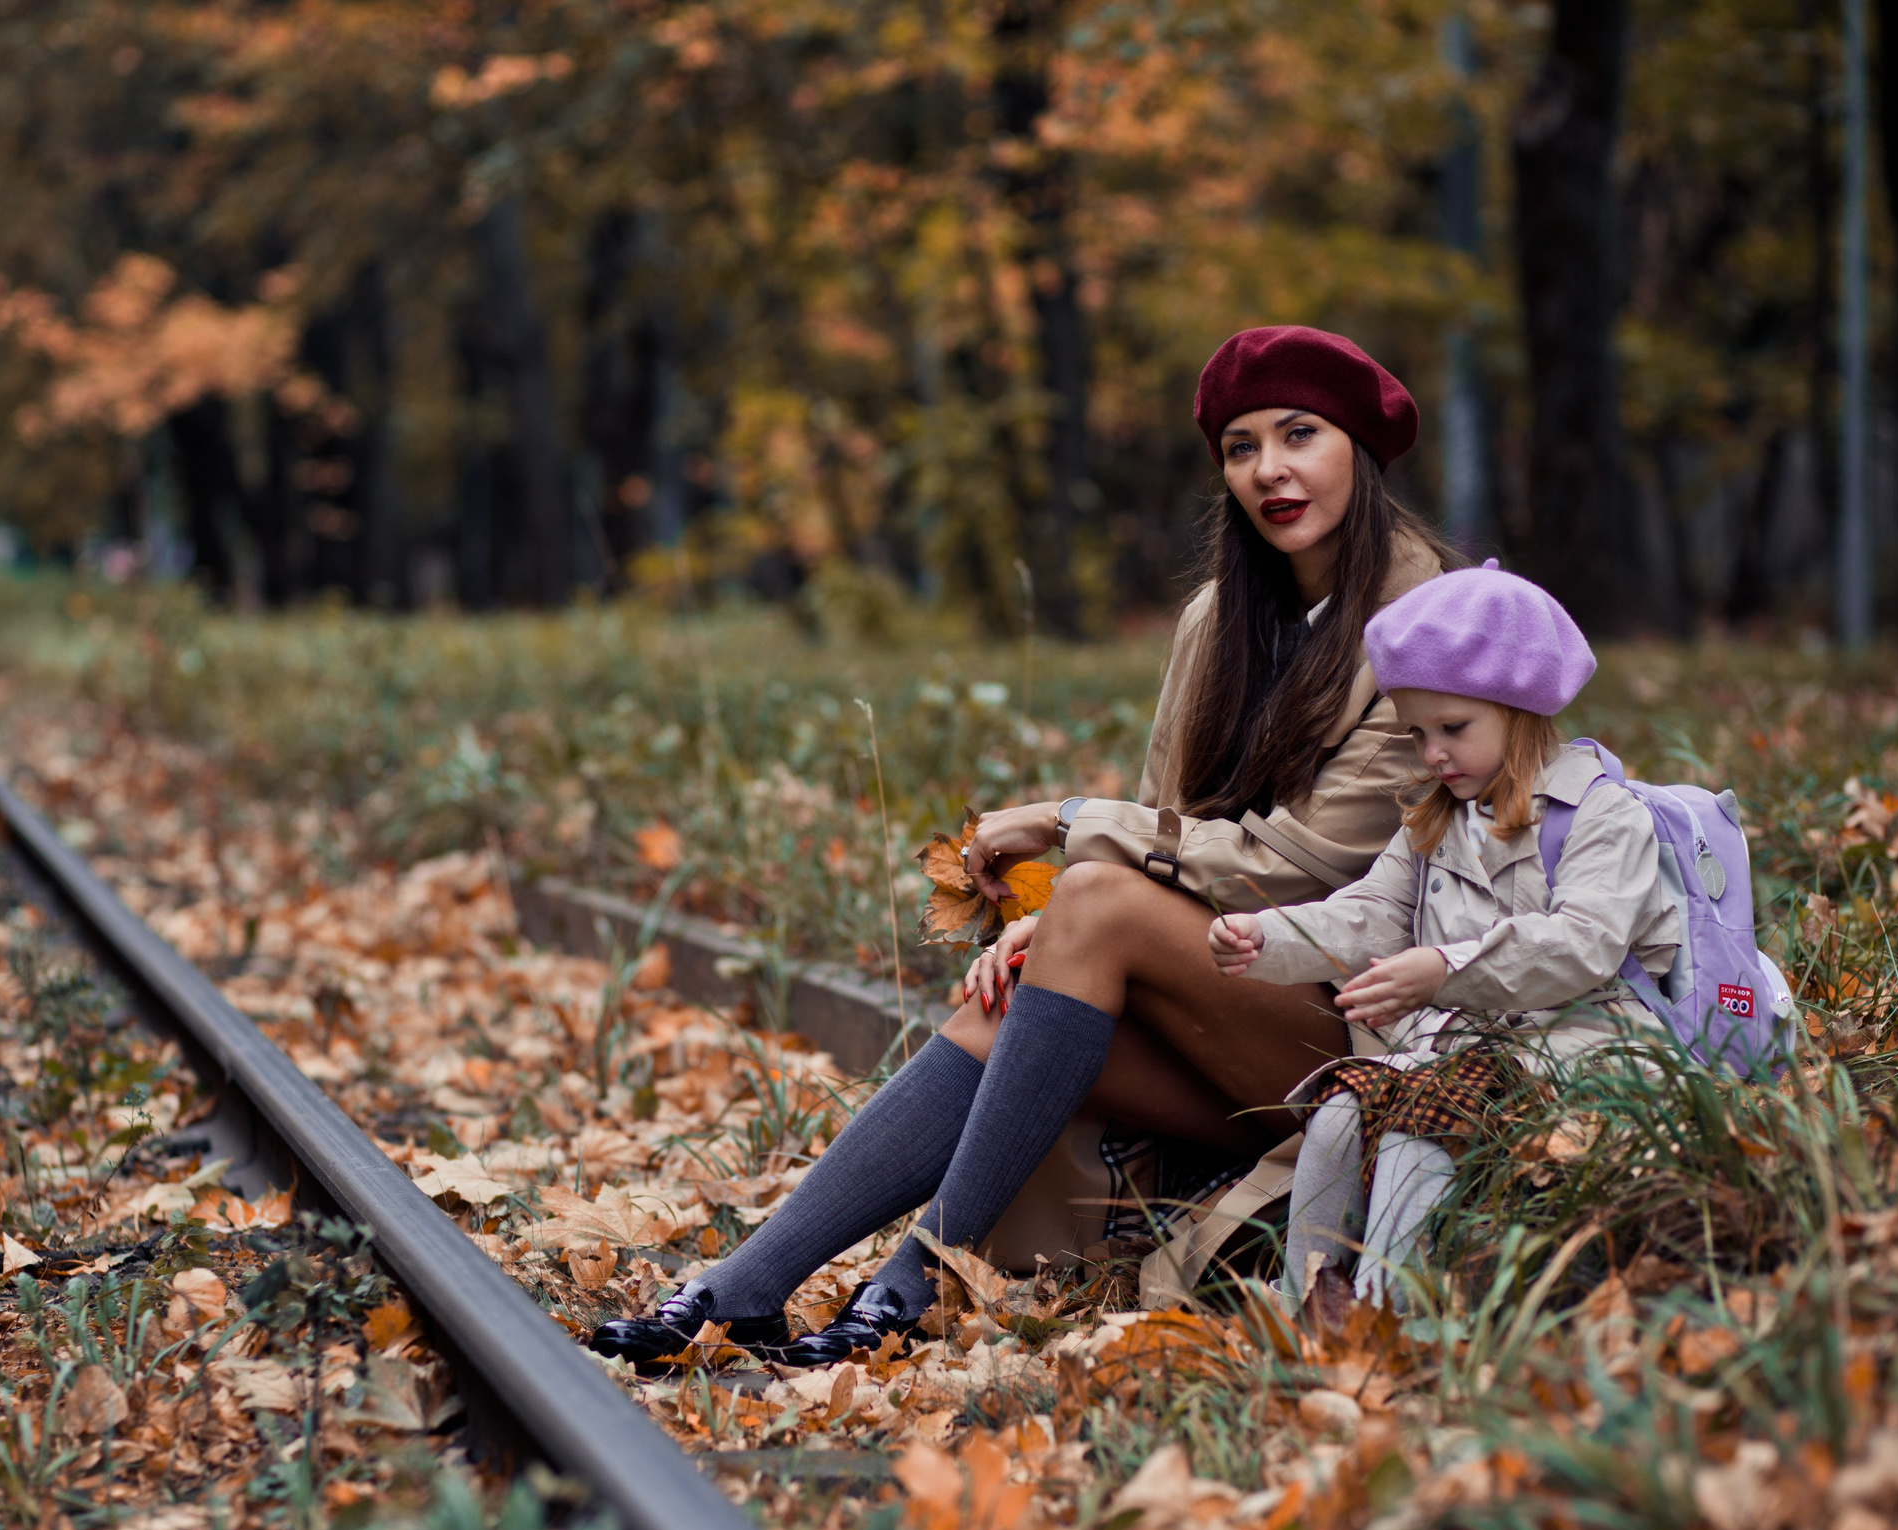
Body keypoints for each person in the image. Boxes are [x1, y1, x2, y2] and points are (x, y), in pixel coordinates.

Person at [591, 326, 1453, 1370]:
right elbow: (1167, 825)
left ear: (1359, 445)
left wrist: (1064, 827)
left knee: (1089, 902)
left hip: (1362, 1045)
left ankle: (912, 1280)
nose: (1269, 468)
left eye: (1299, 434)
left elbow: (1305, 865)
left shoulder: (1428, 623)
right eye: (1240, 447)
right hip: (1228, 1012)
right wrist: (1058, 932)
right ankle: (749, 1289)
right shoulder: (1218, 620)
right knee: (1008, 993)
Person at [1198, 566, 1681, 1311]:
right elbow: (1372, 911)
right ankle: (1305, 1298)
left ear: (1520, 708)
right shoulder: (1440, 819)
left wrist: (1442, 969)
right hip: (1463, 1052)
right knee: (1340, 1116)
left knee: (1415, 1130)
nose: (1432, 754)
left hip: (1580, 1054)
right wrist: (1269, 935)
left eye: (1453, 729)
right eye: (1417, 734)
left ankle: (1386, 1308)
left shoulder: (1599, 815)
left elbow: (1581, 943)